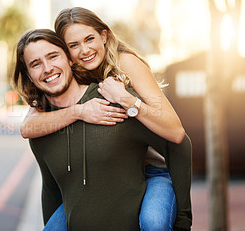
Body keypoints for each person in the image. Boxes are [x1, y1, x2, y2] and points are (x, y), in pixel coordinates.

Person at [19, 7, 191, 231]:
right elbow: (28, 126)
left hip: (152, 167)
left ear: (104, 35)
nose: (84, 50)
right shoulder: (72, 75)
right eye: (73, 45)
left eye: (89, 39)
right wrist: (80, 111)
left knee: (154, 222)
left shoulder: (125, 62)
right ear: (66, 52)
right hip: (112, 172)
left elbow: (176, 133)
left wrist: (126, 99)